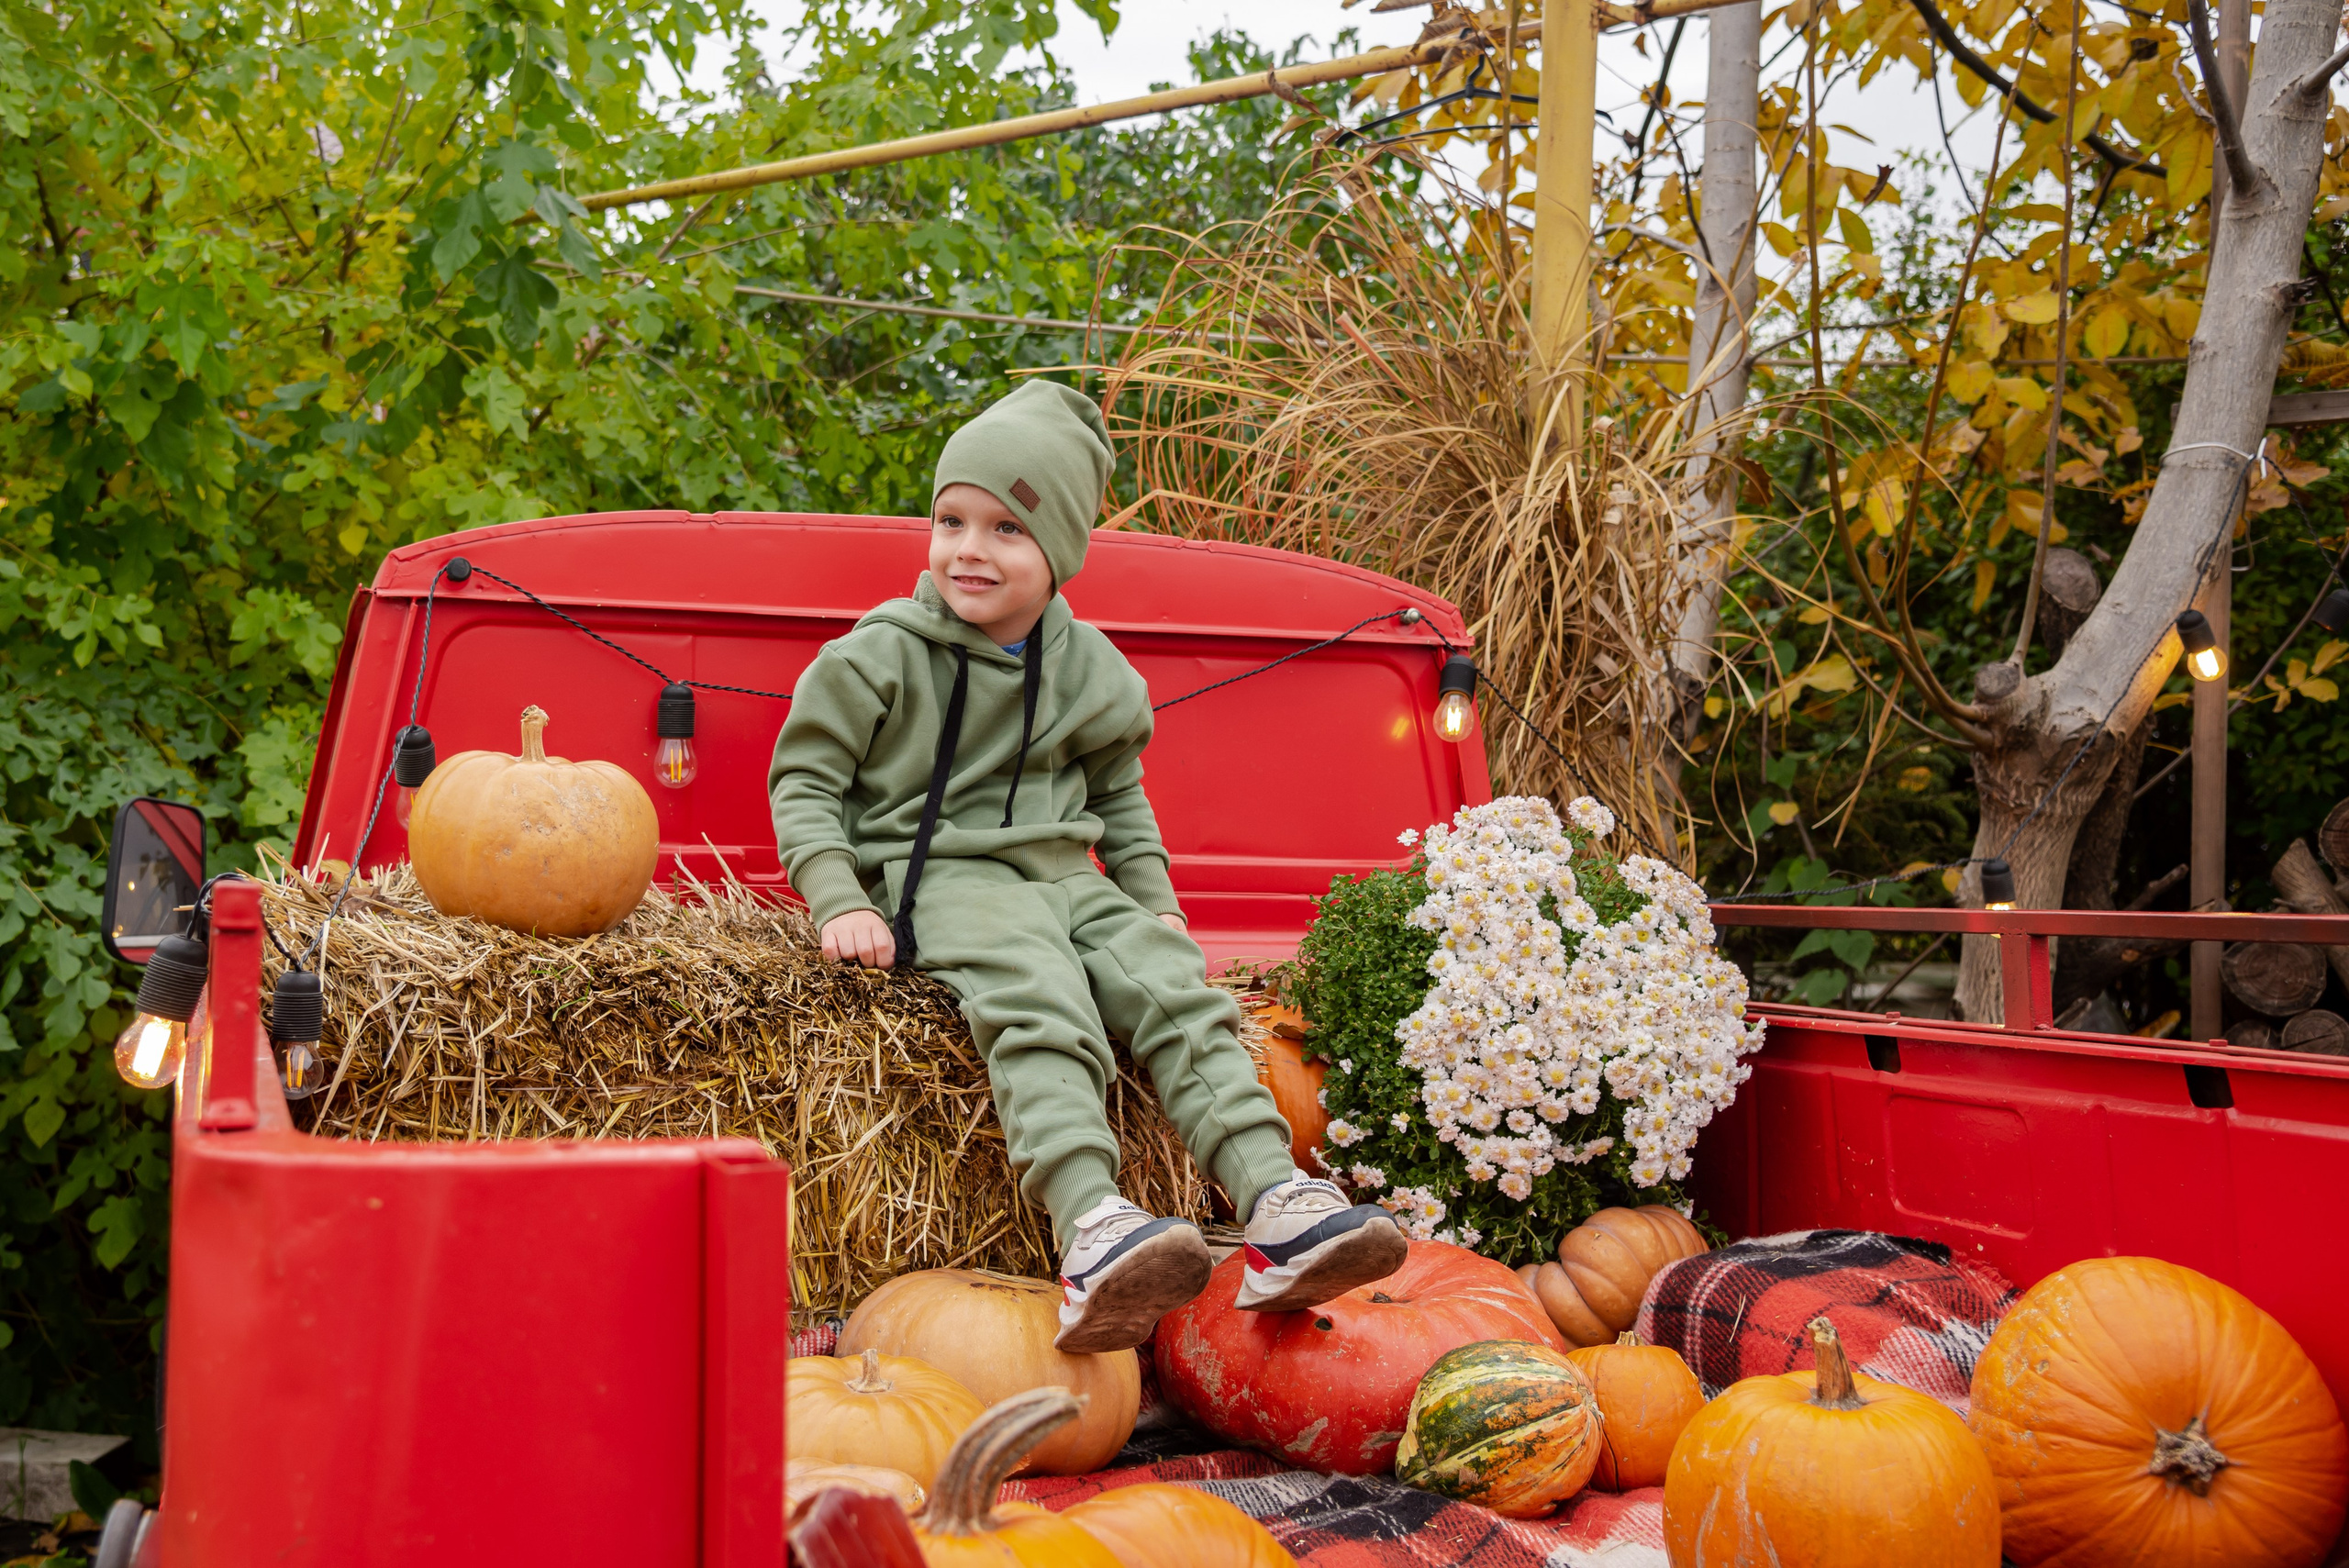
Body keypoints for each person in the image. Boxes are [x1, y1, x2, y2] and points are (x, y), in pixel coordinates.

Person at [769, 379, 1405, 1353]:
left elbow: (1121, 801)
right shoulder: (877, 656)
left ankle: (1274, 1201)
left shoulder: (1094, 670)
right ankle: (1090, 1227)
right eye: (950, 520)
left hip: (1070, 876)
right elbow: (804, 781)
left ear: (1058, 551)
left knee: (1176, 995)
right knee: (1041, 992)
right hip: (938, 873)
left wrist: (1153, 908)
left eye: (1006, 528)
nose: (968, 549)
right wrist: (838, 898)